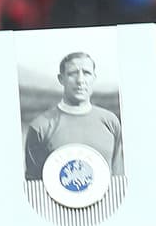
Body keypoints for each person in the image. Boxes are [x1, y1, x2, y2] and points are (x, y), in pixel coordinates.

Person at [23, 51, 124, 181]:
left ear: (94, 77)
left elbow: (118, 179)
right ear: (61, 79)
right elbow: (34, 186)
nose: (80, 80)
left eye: (86, 73)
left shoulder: (111, 122)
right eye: (72, 73)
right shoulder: (40, 126)